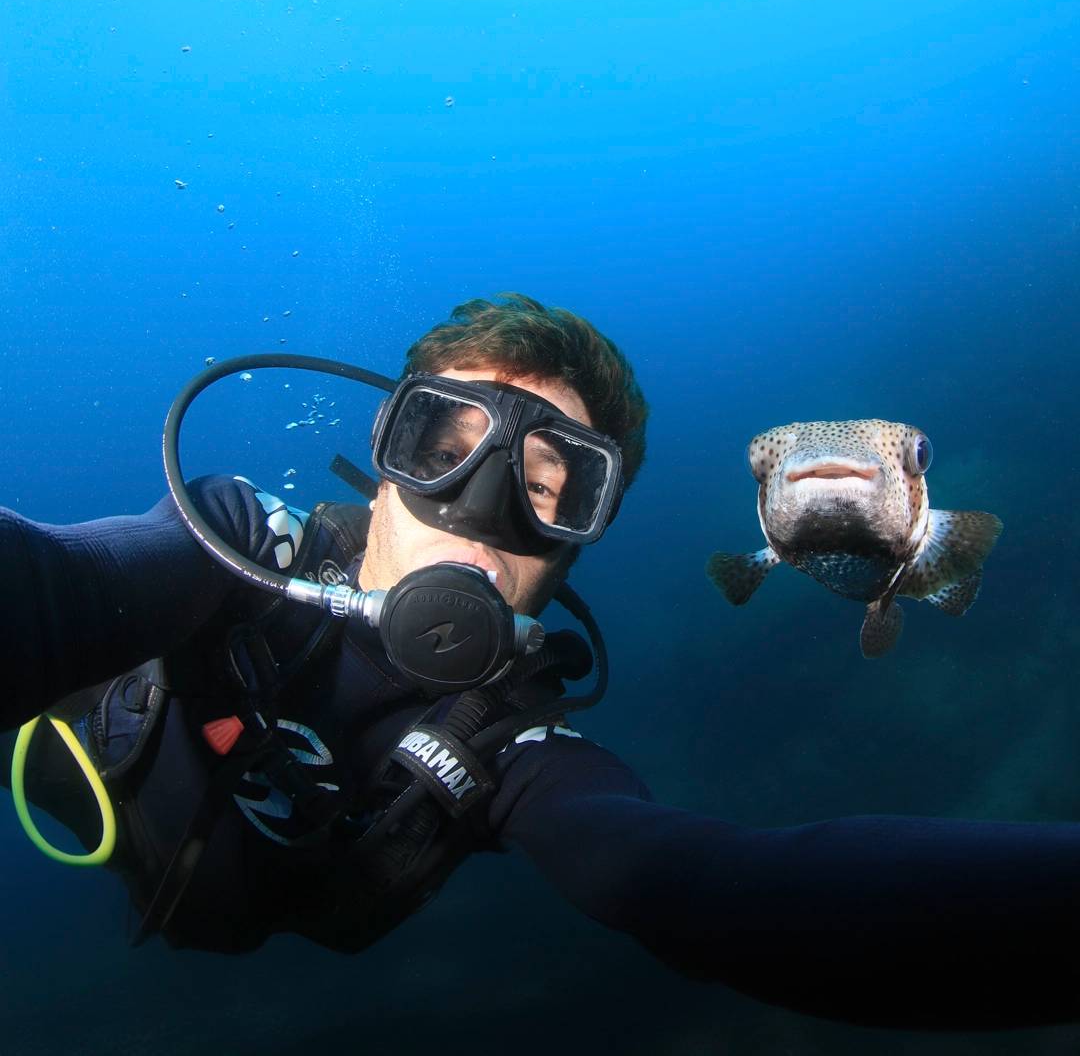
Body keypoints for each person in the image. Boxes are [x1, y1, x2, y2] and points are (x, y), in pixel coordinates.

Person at [2, 293, 1078, 1031]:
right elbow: (45, 585)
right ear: (383, 460)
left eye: (552, 486)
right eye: (442, 446)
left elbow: (708, 888)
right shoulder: (230, 547)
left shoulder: (513, 745)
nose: (479, 507)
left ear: (578, 546)